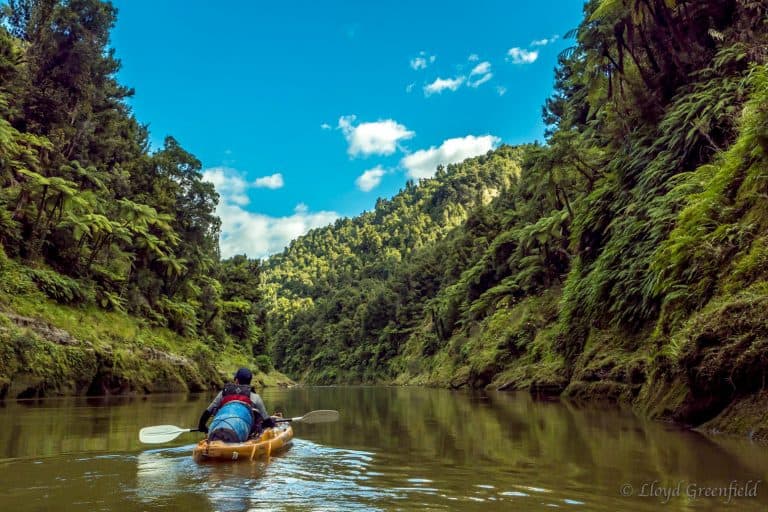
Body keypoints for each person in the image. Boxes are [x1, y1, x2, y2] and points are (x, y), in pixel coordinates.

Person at [197, 368, 276, 441]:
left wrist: (202, 426)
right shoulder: (255, 397)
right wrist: (272, 423)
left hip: (218, 430)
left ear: (236, 380)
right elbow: (266, 421)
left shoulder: (223, 393)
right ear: (250, 381)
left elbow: (208, 411)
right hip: (242, 433)